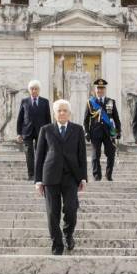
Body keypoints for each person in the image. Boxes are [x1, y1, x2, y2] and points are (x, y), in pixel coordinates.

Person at [34, 99, 87, 255]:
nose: (62, 113)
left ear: (69, 113)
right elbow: (40, 156)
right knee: (52, 212)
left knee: (71, 209)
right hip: (50, 176)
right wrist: (38, 180)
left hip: (71, 176)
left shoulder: (77, 130)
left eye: (65, 110)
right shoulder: (46, 130)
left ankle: (68, 233)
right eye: (59, 110)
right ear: (54, 113)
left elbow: (82, 155)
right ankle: (57, 243)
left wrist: (83, 177)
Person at [83, 79, 121, 181]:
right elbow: (86, 120)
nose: (100, 90)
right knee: (95, 155)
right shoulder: (90, 102)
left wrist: (119, 131)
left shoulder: (111, 102)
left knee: (111, 154)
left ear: (105, 89)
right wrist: (86, 132)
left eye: (102, 88)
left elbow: (116, 118)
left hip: (109, 132)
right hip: (95, 132)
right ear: (95, 89)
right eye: (98, 88)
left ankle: (108, 175)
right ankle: (97, 176)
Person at [16, 80, 51, 181]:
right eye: (32, 89)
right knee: (28, 153)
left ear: (39, 90)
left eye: (36, 89)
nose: (34, 91)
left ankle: (39, 174)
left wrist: (48, 133)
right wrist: (19, 133)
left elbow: (48, 119)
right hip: (27, 132)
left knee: (40, 153)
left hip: (41, 131)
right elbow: (20, 118)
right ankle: (31, 174)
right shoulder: (24, 101)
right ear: (29, 90)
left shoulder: (45, 102)